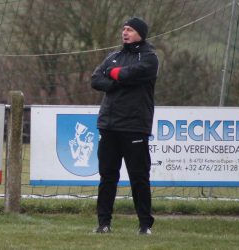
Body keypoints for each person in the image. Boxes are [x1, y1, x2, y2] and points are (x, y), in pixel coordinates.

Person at [91, 17, 159, 235]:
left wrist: (114, 75)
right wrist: (116, 79)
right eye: (123, 29)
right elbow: (95, 79)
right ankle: (103, 224)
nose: (125, 32)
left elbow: (129, 74)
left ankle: (144, 225)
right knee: (107, 176)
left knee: (139, 177)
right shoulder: (113, 56)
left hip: (135, 126)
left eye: (130, 29)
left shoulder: (149, 57)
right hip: (109, 125)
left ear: (140, 33)